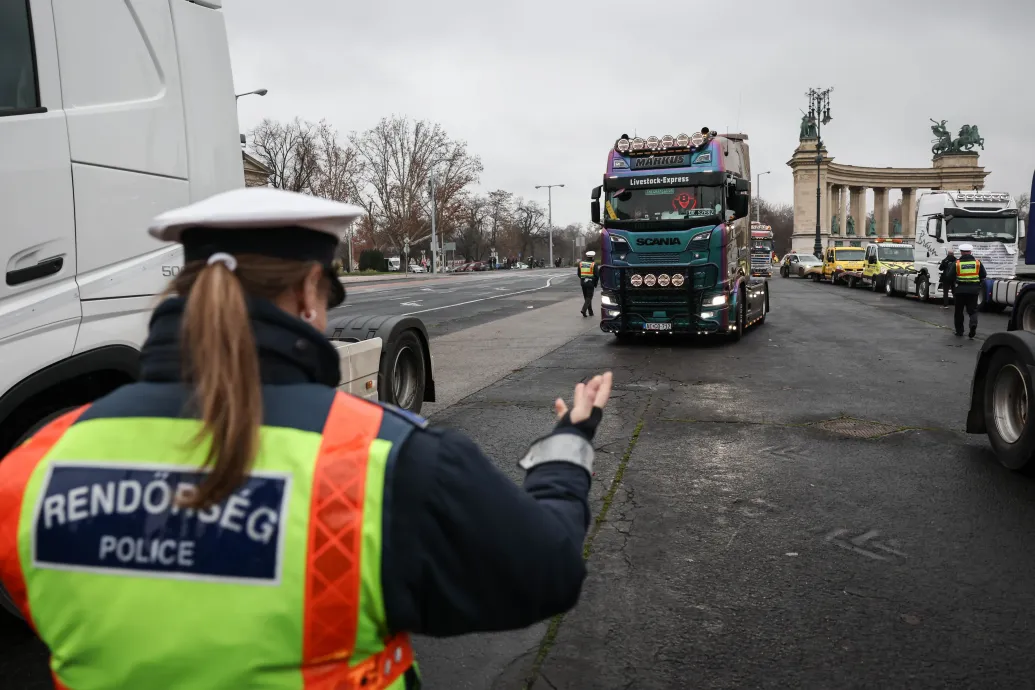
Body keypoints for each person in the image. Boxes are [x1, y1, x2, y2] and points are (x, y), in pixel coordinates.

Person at [0, 187, 613, 690]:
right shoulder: (388, 461)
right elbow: (547, 569)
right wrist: (570, 442)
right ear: (304, 298)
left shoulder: (34, 463)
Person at [946, 243, 987, 338]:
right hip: (973, 291)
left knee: (959, 311)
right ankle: (973, 324)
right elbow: (983, 275)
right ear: (970, 252)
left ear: (961, 252)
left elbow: (949, 277)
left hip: (960, 291)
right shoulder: (977, 263)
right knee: (972, 310)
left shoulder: (957, 263)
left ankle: (959, 331)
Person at [578, 250, 600, 317]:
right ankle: (584, 310)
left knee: (586, 297)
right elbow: (597, 276)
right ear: (592, 257)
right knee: (589, 297)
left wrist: (583, 279)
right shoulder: (594, 264)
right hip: (590, 283)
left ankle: (590, 312)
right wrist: (595, 283)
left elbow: (579, 274)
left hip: (583, 283)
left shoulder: (581, 264)